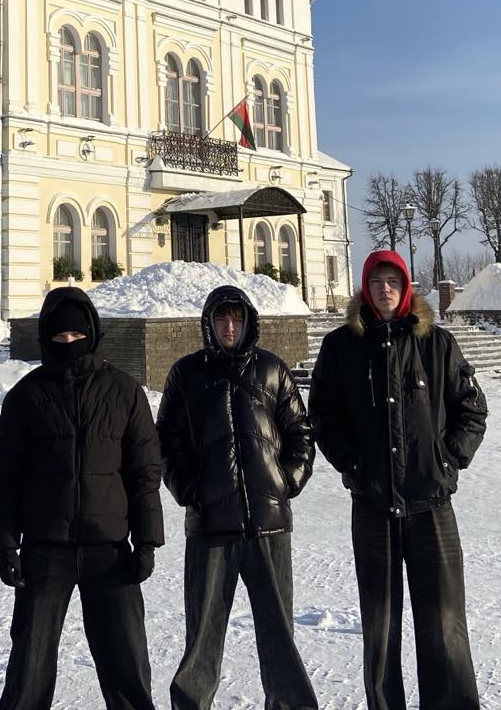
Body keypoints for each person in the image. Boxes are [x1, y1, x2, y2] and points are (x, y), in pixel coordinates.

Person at [309, 250, 489, 710]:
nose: (384, 289)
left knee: (444, 623)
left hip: (431, 506)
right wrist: (352, 465)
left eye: (392, 281)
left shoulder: (437, 343)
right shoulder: (341, 346)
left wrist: (447, 461)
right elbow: (323, 416)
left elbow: (471, 409)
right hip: (373, 507)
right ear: (365, 288)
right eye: (376, 281)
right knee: (380, 626)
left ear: (405, 287)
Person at [0, 285, 163, 710]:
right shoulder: (25, 397)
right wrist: (5, 544)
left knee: (126, 662)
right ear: (46, 338)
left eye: (77, 335)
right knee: (29, 664)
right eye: (60, 336)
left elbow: (144, 474)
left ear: (93, 334)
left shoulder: (124, 392)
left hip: (109, 548)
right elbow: (6, 477)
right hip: (45, 549)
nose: (69, 343)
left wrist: (147, 541)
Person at [157, 284, 318, 710]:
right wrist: (189, 490)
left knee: (278, 632)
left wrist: (285, 482)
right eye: (221, 318)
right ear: (208, 323)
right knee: (203, 636)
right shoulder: (187, 374)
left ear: (248, 322)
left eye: (236, 318)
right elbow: (167, 441)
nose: (229, 326)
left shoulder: (272, 370)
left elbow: (301, 433)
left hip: (269, 524)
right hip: (211, 525)